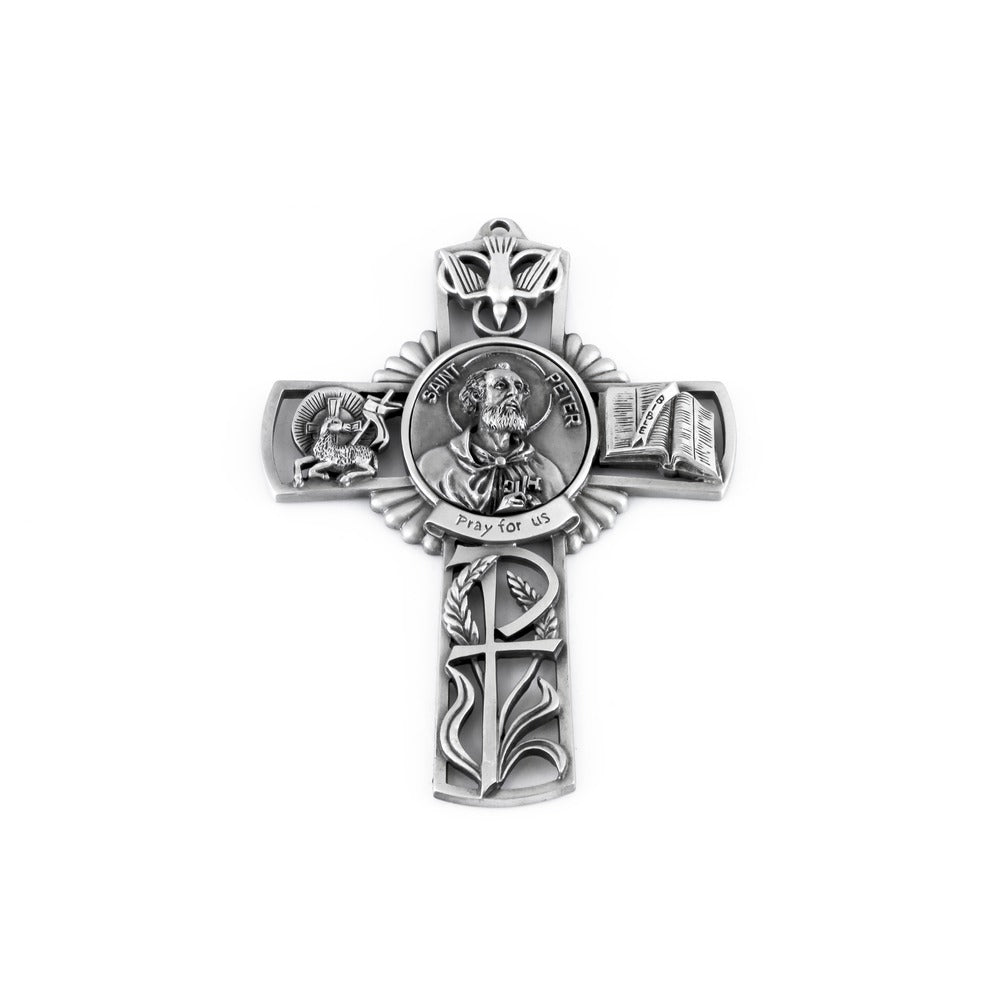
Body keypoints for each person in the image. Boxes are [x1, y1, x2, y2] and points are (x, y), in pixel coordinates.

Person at [418, 363, 566, 514]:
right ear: (477, 395)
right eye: (501, 385)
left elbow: (558, 513)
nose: (513, 393)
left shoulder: (546, 471)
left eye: (518, 387)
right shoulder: (435, 466)